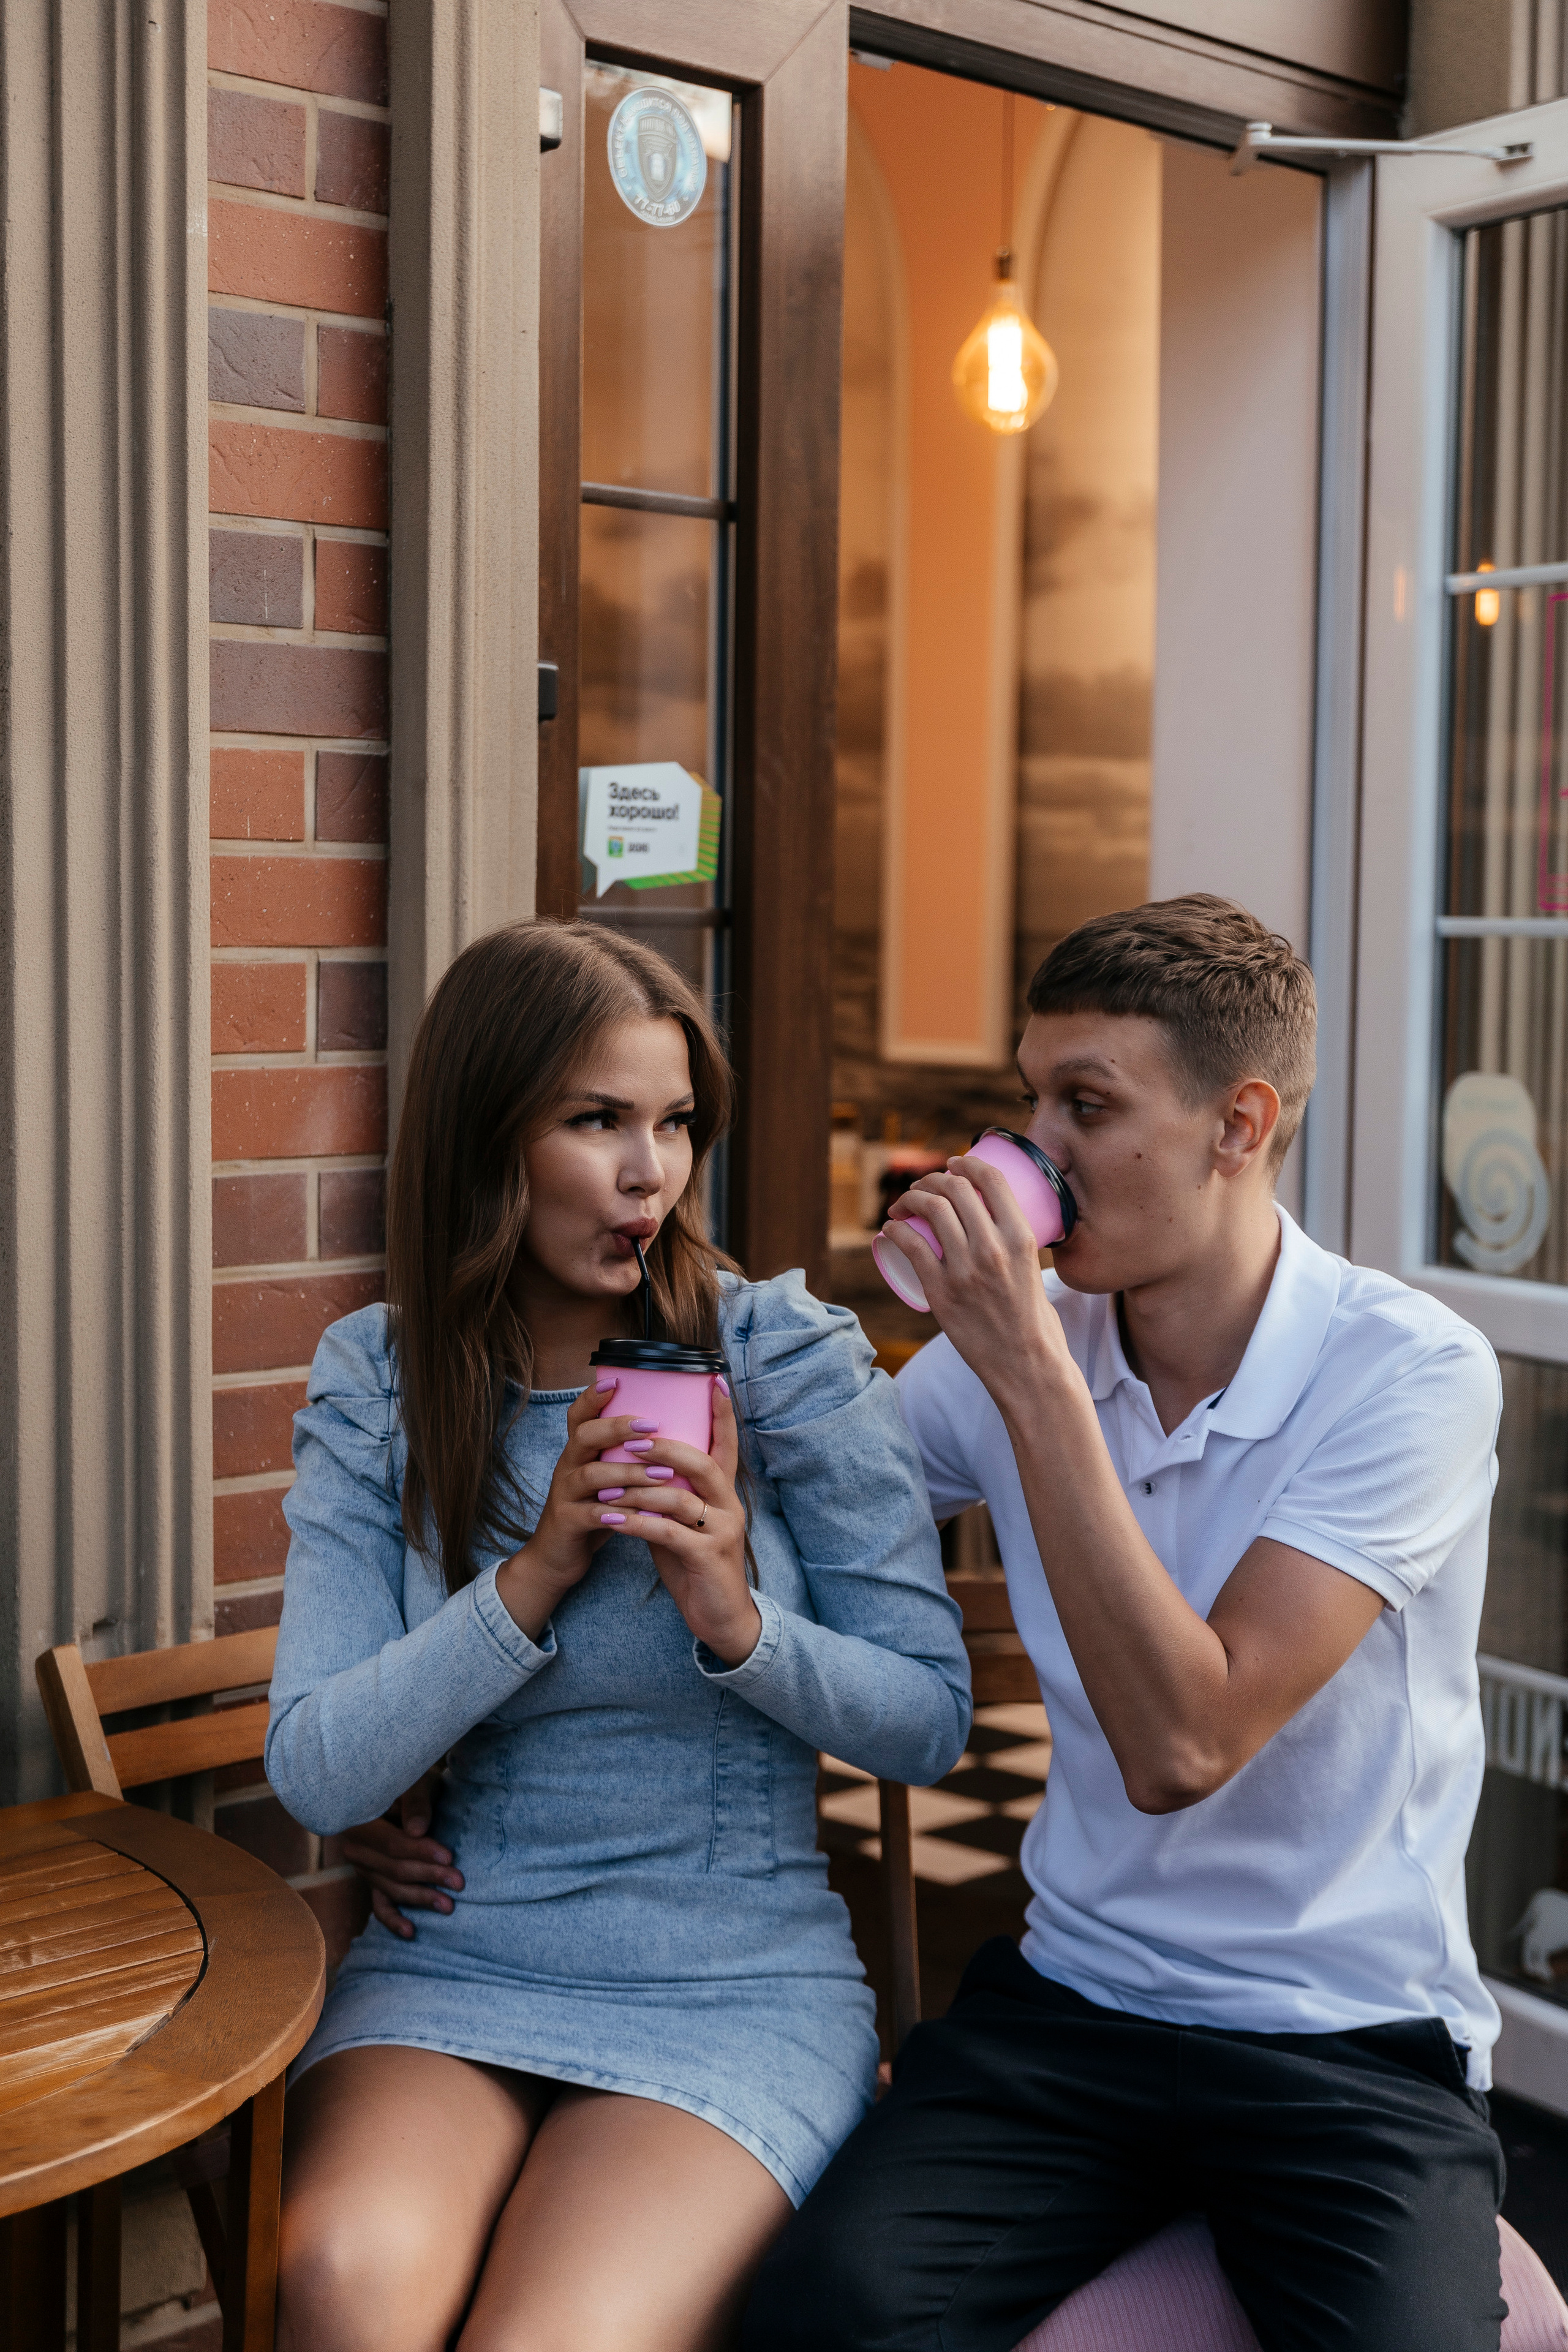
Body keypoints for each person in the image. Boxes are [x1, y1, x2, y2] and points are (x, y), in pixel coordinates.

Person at [744, 895, 1508, 2352]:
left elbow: (1185, 1739)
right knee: (815, 2320)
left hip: (1342, 2039)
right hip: (1071, 2005)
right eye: (1027, 1101)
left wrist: (1026, 1366)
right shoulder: (1019, 1355)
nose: (1032, 1150)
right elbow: (778, 1518)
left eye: (1085, 1106)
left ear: (1238, 1125)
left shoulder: (1407, 1374)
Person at [266, 921, 970, 2352]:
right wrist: (533, 1575)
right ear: (490, 1138)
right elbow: (320, 1772)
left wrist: (735, 1616)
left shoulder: (779, 1359)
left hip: (732, 1975)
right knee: (343, 2274)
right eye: (597, 1122)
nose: (651, 1173)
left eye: (674, 1125)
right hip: (463, 1955)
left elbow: (927, 1720)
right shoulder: (390, 1382)